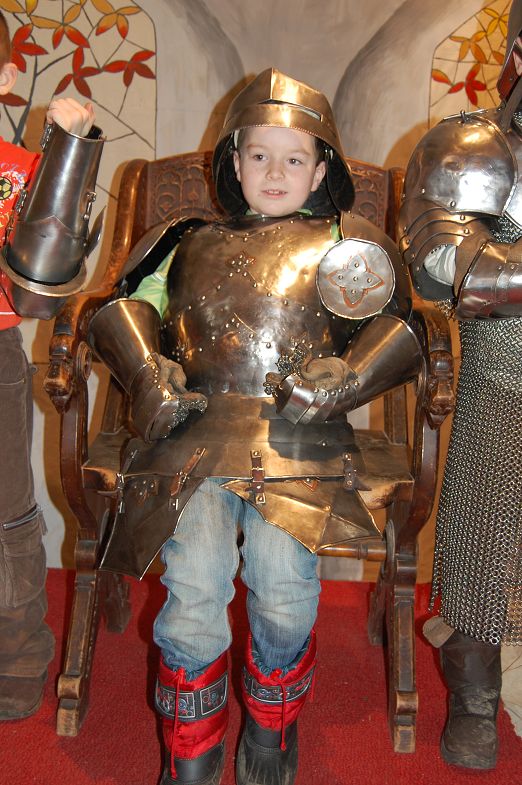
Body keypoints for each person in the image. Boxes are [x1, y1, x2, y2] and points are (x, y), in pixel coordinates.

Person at [88, 68, 421, 785]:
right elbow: (125, 311)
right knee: (194, 585)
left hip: (300, 442)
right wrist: (147, 372)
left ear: (322, 168)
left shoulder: (345, 246)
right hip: (192, 437)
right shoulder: (184, 240)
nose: (274, 172)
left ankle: (271, 729)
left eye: (294, 158)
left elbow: (397, 331)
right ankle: (192, 745)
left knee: (283, 586)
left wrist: (347, 377)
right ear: (232, 162)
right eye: (259, 155)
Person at [398, 0, 522, 771]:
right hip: (507, 377)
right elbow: (451, 268)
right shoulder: (473, 146)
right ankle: (475, 691)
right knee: (485, 527)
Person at [0, 11, 103, 721]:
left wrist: (68, 149)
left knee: (5, 512)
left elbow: (41, 289)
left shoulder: (21, 171)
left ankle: (17, 652)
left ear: (7, 77)